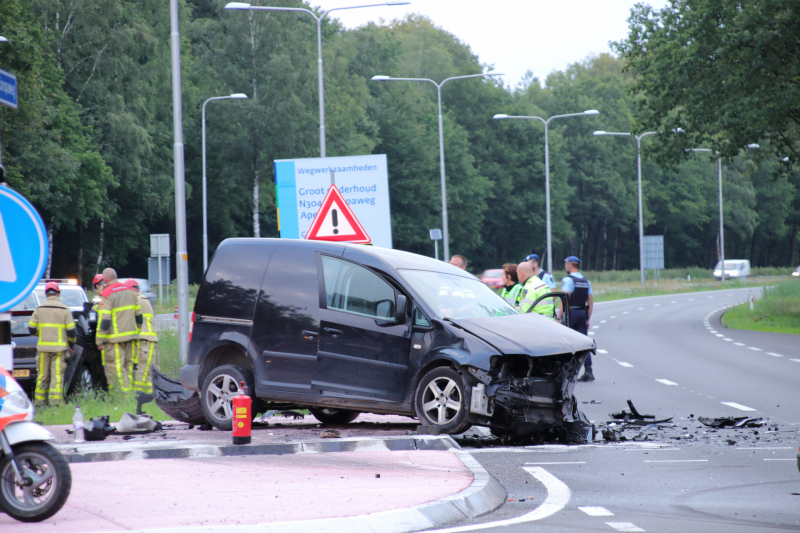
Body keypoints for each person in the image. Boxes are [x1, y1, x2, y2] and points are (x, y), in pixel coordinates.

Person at [28, 282, 76, 406]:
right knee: (57, 376)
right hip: (59, 349)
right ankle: (55, 402)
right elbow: (71, 331)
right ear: (58, 293)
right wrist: (71, 343)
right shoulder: (64, 309)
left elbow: (31, 328)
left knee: (42, 375)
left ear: (46, 294)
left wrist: (41, 334)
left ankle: (39, 402)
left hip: (43, 349)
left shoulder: (39, 309)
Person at [96, 268, 142, 394]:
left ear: (105, 279)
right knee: (129, 366)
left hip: (114, 340)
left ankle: (122, 397)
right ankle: (131, 394)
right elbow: (139, 314)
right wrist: (137, 330)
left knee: (115, 369)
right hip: (131, 337)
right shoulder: (131, 291)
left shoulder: (107, 294)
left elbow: (105, 319)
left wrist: (99, 340)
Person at [557, 256, 594, 381]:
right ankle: (588, 371)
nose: (565, 266)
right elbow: (590, 302)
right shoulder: (586, 281)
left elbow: (564, 300)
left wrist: (559, 317)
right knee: (584, 343)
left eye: (565, 264)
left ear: (569, 265)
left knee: (567, 343)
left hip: (571, 313)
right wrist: (587, 319)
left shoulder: (568, 280)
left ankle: (567, 372)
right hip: (582, 313)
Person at [125, 279, 158, 394]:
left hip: (145, 340)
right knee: (150, 370)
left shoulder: (137, 300)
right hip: (150, 340)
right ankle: (152, 393)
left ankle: (137, 394)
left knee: (142, 368)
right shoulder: (144, 299)